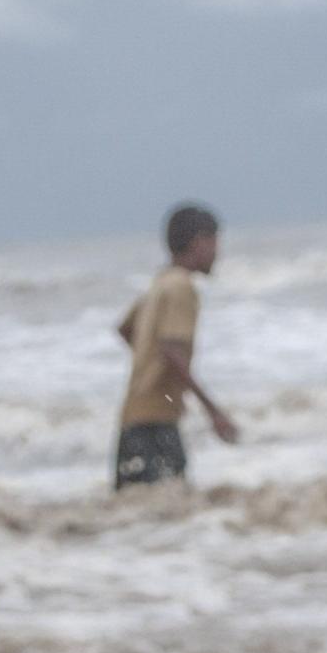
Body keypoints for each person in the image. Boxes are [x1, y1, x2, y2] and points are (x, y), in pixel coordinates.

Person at [113, 203, 238, 488]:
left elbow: (126, 330)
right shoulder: (182, 287)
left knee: (143, 517)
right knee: (170, 503)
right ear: (198, 243)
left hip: (134, 418)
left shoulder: (160, 283)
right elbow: (171, 352)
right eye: (214, 242)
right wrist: (214, 412)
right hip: (156, 424)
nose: (218, 252)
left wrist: (149, 367)